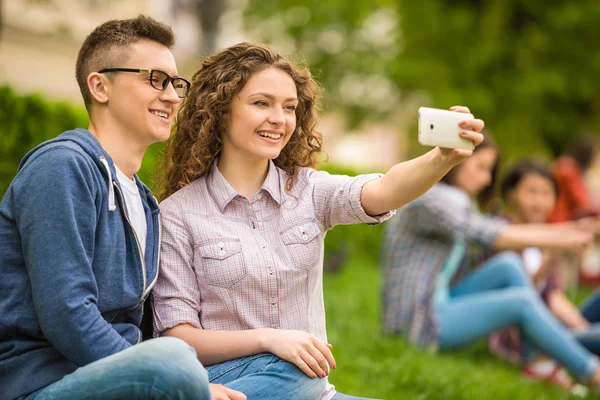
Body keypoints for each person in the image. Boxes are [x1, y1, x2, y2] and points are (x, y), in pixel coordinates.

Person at [152, 42, 484, 400]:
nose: (279, 119)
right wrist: (271, 339)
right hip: (237, 382)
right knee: (295, 369)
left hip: (311, 391)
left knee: (304, 375)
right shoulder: (177, 215)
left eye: (290, 107)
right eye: (261, 103)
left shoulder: (309, 190)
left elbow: (385, 189)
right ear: (219, 110)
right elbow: (178, 338)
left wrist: (442, 159)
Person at [0, 15, 243, 400]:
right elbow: (67, 314)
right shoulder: (63, 166)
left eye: (176, 84)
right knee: (173, 361)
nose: (172, 96)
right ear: (100, 86)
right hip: (41, 384)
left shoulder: (146, 203)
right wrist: (170, 372)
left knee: (289, 371)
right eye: (154, 79)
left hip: (129, 375)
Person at [382, 137, 600, 391]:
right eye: (481, 167)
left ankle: (538, 358)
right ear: (454, 159)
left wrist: (568, 233)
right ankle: (593, 372)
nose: (487, 180)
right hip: (418, 322)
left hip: (442, 301)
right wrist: (567, 233)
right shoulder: (433, 200)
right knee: (519, 301)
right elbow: (491, 235)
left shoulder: (457, 201)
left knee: (508, 265)